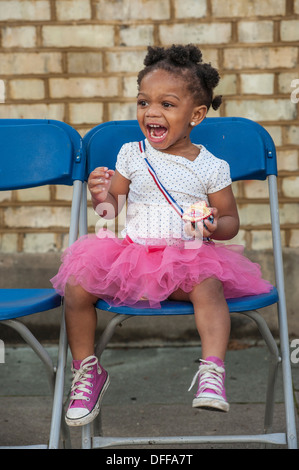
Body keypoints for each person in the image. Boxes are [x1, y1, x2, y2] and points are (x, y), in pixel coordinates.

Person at [51, 44, 272, 426]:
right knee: (75, 286)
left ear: (196, 115)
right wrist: (99, 194)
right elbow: (111, 211)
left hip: (187, 257)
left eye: (167, 104)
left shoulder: (211, 166)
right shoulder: (130, 154)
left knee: (209, 286)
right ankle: (87, 370)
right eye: (143, 102)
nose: (151, 112)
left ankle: (212, 372)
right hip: (131, 257)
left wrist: (214, 226)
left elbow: (231, 221)